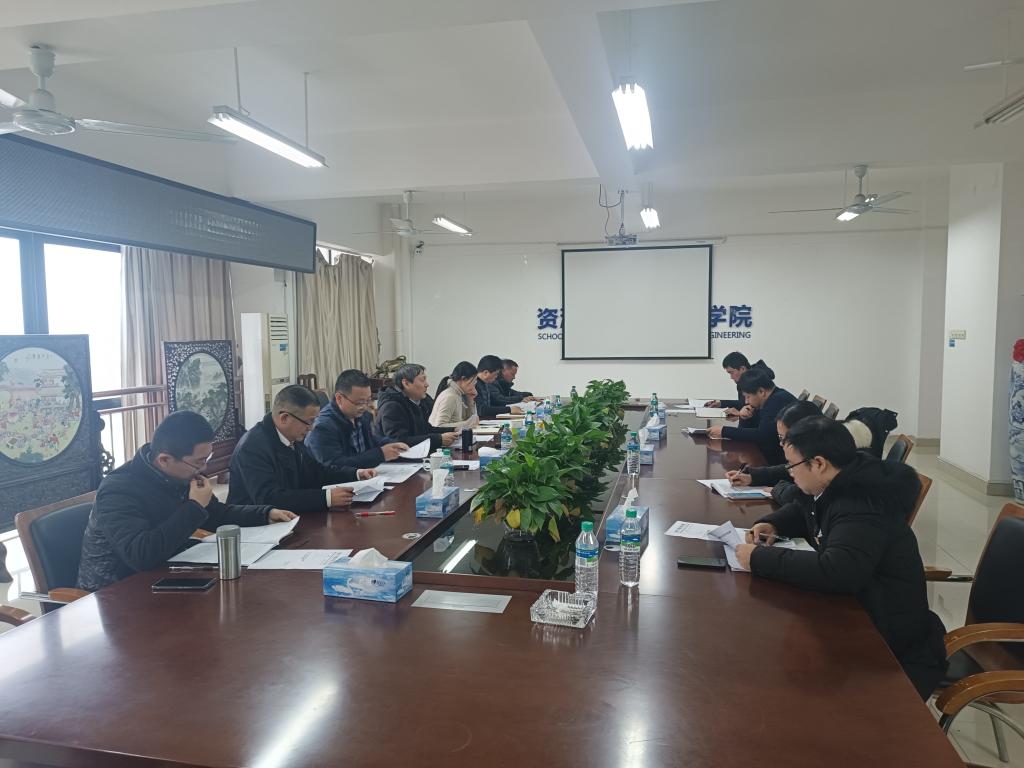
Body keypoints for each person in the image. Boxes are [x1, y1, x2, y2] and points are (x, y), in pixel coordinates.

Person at [734, 417, 947, 699]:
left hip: (888, 639)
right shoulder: (841, 480)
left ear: (819, 464)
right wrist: (774, 523)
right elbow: (807, 507)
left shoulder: (862, 504)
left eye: (792, 465)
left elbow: (837, 571)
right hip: (859, 610)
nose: (790, 473)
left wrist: (759, 559)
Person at [77, 411, 296, 591]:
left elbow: (216, 514)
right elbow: (141, 556)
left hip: (168, 576)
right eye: (199, 461)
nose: (204, 468)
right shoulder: (118, 490)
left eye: (206, 459)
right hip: (117, 593)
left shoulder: (178, 473)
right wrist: (194, 506)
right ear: (165, 459)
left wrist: (264, 513)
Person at [228, 385, 377, 514]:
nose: (311, 428)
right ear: (284, 418)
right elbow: (269, 498)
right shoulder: (252, 447)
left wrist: (356, 473)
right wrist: (325, 498)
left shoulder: (293, 436)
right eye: (308, 422)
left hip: (291, 517)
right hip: (254, 528)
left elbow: (316, 472)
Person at [306, 369, 409, 471]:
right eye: (359, 402)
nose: (364, 407)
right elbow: (335, 467)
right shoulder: (323, 427)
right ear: (339, 398)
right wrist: (380, 454)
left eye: (368, 400)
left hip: (367, 475)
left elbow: (370, 441)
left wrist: (391, 444)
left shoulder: (362, 415)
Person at [707, 369, 795, 464]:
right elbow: (751, 431)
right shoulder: (772, 398)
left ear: (761, 392)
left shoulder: (777, 400)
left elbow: (763, 436)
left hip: (781, 461)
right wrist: (745, 417)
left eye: (748, 396)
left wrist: (724, 431)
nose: (746, 401)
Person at [373, 363, 459, 450]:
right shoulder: (392, 406)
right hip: (397, 457)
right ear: (406, 383)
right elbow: (398, 441)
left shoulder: (419, 401)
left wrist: (453, 430)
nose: (427, 384)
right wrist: (438, 439)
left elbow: (426, 430)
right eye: (422, 380)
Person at [705, 352, 775, 421]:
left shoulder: (756, 382)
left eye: (731, 372)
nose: (731, 377)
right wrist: (721, 403)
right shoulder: (744, 382)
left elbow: (761, 413)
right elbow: (743, 403)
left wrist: (739, 414)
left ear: (742, 369)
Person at [430, 361, 482, 429]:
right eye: (473, 383)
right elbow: (439, 426)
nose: (474, 387)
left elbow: (470, 420)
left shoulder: (459, 394)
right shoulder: (450, 396)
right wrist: (467, 424)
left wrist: (470, 401)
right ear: (463, 379)